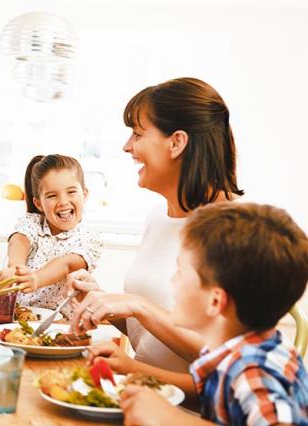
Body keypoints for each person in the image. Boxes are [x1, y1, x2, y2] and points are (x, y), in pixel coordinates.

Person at [69, 77, 244, 374]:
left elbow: (226, 362)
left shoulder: (235, 230)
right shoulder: (158, 217)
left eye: (137, 134)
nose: (127, 147)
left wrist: (138, 306)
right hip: (141, 395)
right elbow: (150, 338)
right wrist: (104, 302)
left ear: (176, 142)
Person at [119, 202, 308, 425]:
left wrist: (174, 420)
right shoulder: (232, 349)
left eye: (180, 272)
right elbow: (209, 394)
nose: (172, 280)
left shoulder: (254, 372)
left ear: (215, 301)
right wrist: (136, 375)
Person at [0, 154, 103, 318]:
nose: (63, 202)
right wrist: (15, 268)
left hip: (60, 324)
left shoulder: (90, 238)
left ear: (85, 194)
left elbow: (67, 264)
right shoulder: (33, 223)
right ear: (39, 203)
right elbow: (19, 240)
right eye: (52, 195)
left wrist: (36, 279)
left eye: (71, 192)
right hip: (17, 319)